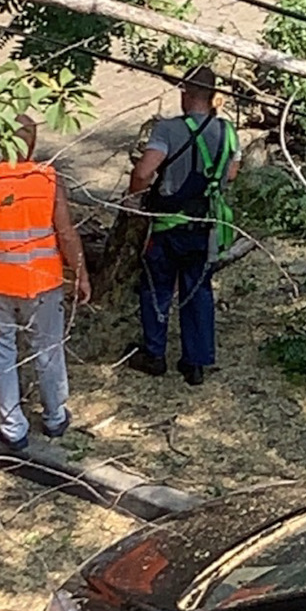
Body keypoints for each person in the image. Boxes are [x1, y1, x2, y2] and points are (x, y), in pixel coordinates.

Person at [0, 115, 90, 451]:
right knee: (48, 349)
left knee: (0, 353)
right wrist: (81, 273)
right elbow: (66, 234)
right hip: (42, 282)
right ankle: (55, 416)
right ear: (33, 142)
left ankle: (12, 427)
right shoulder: (47, 179)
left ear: (0, 140)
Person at [126, 64, 240, 386]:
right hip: (205, 228)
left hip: (168, 226)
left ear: (185, 94)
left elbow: (145, 171)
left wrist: (134, 199)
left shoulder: (168, 129)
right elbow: (231, 173)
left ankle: (154, 354)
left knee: (156, 286)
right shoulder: (228, 132)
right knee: (198, 290)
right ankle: (195, 363)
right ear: (214, 97)